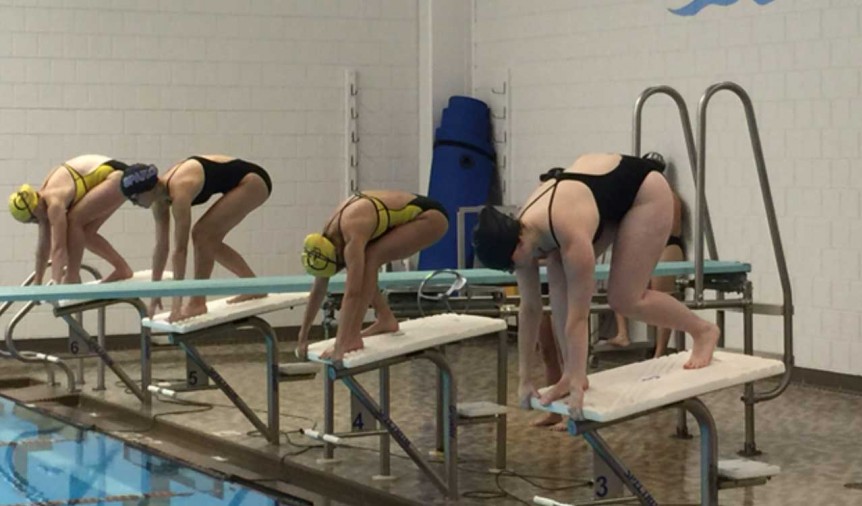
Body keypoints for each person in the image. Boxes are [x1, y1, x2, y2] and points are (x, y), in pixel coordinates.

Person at [473, 152, 720, 418]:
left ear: (518, 244)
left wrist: (580, 378)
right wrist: (524, 379)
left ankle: (703, 331)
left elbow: (579, 316)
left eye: (512, 265)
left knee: (624, 298)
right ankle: (570, 374)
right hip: (598, 198)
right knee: (556, 271)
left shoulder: (567, 232)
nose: (516, 270)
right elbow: (530, 308)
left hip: (643, 191)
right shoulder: (522, 234)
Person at [297, 190, 449, 361]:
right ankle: (386, 319)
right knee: (364, 264)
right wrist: (303, 337)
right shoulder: (326, 240)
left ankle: (352, 337)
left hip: (431, 218)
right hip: (400, 215)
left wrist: (341, 344)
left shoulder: (351, 233)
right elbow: (318, 289)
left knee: (370, 258)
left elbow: (352, 293)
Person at [119, 155, 272, 321]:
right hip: (240, 182)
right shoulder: (159, 200)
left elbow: (180, 250)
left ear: (147, 189)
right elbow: (161, 247)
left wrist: (176, 307)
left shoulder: (179, 190)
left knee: (202, 234)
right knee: (207, 239)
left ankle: (197, 302)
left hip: (253, 181)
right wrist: (156, 292)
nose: (134, 203)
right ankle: (253, 286)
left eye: (134, 198)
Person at [606, 152, 687, 358]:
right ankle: (623, 333)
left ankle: (660, 352)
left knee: (663, 298)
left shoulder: (670, 196)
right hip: (647, 245)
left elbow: (671, 228)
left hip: (667, 245)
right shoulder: (638, 196)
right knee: (618, 288)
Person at [8, 154, 135, 285]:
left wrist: (56, 283)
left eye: (32, 219)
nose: (35, 222)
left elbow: (59, 248)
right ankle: (122, 269)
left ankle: (72, 278)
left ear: (35, 208)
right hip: (115, 178)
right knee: (84, 233)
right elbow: (43, 249)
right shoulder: (41, 204)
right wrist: (37, 283)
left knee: (74, 221)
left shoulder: (54, 203)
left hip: (117, 176)